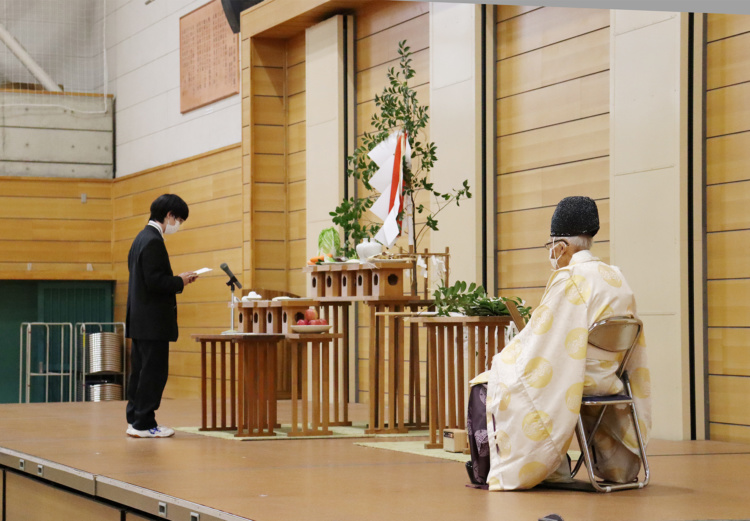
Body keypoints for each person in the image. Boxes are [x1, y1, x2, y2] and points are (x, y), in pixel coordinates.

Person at [467, 196, 651, 490]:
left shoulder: (570, 278)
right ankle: (610, 465)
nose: (550, 253)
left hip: (578, 376)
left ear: (562, 246)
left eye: (550, 246)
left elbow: (544, 344)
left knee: (494, 379)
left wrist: (505, 358)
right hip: (611, 377)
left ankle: (550, 468)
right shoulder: (616, 276)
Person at [125, 194, 197, 438]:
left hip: (139, 320)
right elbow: (155, 281)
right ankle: (145, 423)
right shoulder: (154, 240)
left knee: (140, 372)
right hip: (153, 322)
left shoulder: (140, 239)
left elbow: (146, 279)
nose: (179, 225)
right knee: (153, 373)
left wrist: (177, 279)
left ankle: (135, 419)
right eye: (180, 220)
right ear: (169, 215)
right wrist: (181, 281)